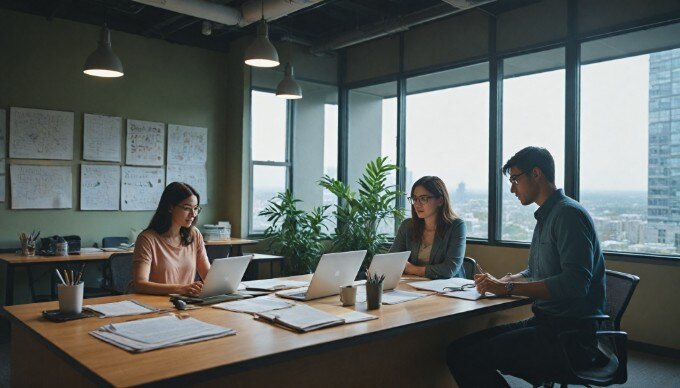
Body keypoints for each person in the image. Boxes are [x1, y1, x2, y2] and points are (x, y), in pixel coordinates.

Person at [446, 146, 606, 387]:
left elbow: (575, 284)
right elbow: (535, 272)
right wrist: (505, 280)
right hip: (545, 323)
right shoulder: (547, 215)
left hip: (569, 336)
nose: (512, 188)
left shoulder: (568, 215)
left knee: (467, 356)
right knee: (459, 347)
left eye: (515, 180)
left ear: (536, 174)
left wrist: (508, 288)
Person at [132, 182, 210, 296]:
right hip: (156, 305)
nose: (193, 214)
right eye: (187, 208)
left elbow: (208, 276)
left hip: (186, 303)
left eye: (196, 208)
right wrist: (180, 289)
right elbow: (140, 284)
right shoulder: (147, 239)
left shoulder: (194, 234)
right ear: (170, 207)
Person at [390, 176, 466, 279]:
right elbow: (392, 260)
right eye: (415, 199)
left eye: (423, 198)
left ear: (440, 200)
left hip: (447, 289)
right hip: (413, 286)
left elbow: (449, 269)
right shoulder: (407, 226)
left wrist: (412, 269)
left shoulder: (456, 226)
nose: (417, 204)